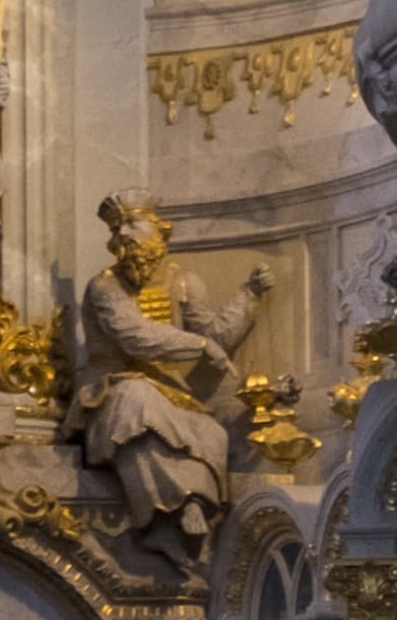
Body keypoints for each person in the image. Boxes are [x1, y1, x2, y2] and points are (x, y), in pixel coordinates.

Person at [71, 194, 265, 551]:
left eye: (132, 223)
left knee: (210, 431)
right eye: (116, 228)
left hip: (168, 392)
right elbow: (135, 337)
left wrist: (247, 298)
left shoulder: (184, 283)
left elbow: (213, 337)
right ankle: (164, 515)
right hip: (109, 389)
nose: (123, 234)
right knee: (135, 404)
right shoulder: (104, 286)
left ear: (160, 231)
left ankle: (192, 503)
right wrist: (201, 347)